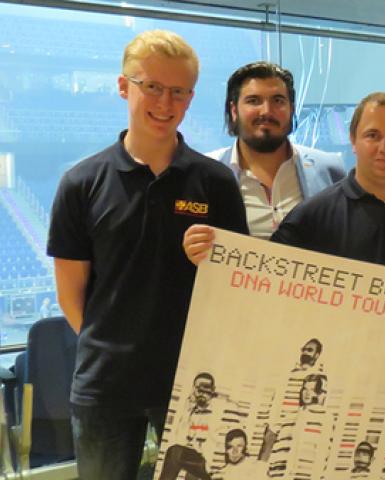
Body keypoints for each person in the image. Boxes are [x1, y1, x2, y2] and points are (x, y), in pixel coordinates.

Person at [184, 91, 385, 479]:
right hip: (337, 390)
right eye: (373, 135)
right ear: (353, 141)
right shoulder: (314, 215)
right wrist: (214, 255)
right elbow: (261, 284)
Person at [47, 30, 248, 479]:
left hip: (196, 383)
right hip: (106, 386)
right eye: (152, 86)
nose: (165, 102)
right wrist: (116, 349)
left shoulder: (216, 183)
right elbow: (70, 296)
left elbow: (237, 287)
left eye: (178, 91)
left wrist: (216, 260)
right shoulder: (81, 183)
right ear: (124, 86)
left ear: (191, 97)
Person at [207, 61, 345, 239]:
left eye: (278, 101)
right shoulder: (207, 172)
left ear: (291, 109)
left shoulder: (330, 170)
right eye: (253, 101)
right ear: (234, 111)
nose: (266, 111)